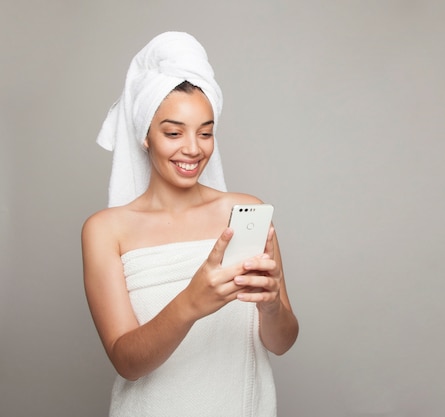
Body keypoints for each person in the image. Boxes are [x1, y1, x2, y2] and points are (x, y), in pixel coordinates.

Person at [81, 31, 298, 417]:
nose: (193, 149)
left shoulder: (245, 211)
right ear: (145, 136)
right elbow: (127, 363)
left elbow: (281, 342)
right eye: (173, 132)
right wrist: (191, 302)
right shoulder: (106, 231)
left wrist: (270, 307)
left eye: (206, 132)